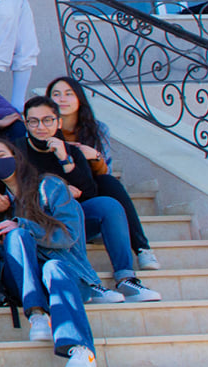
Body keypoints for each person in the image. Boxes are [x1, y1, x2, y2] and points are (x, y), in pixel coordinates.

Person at [0, 136, 103, 367]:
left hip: (66, 275)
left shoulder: (50, 187)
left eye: (1, 155)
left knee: (53, 266)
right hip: (24, 284)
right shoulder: (0, 203)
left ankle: (81, 349)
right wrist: (5, 219)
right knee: (15, 237)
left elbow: (69, 235)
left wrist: (21, 224)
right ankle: (37, 313)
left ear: (17, 156)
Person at [17, 96, 160, 301]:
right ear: (26, 123)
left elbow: (89, 193)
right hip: (41, 222)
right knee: (72, 205)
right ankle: (87, 281)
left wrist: (65, 160)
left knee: (108, 205)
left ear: (58, 122)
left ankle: (126, 279)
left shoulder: (71, 151)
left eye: (47, 120)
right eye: (34, 121)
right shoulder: (17, 150)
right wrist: (61, 189)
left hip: (73, 220)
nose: (41, 126)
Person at [48, 75, 159, 273]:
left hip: (89, 188)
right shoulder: (43, 129)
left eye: (68, 94)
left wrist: (95, 156)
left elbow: (104, 170)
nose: (62, 99)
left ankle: (142, 249)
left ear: (79, 98)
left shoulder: (97, 129)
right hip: (61, 194)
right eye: (56, 94)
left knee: (109, 182)